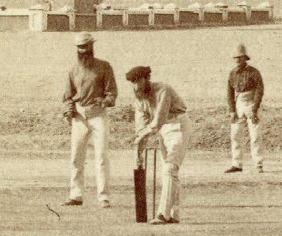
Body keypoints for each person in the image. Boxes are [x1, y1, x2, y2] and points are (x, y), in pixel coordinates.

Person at [60, 35, 116, 207]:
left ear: (92, 46)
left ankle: (103, 197)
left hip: (98, 114)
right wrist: (68, 111)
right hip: (79, 116)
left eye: (85, 46)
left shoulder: (104, 67)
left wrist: (105, 101)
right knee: (76, 157)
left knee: (101, 156)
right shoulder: (73, 71)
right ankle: (76, 195)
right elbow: (67, 97)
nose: (83, 50)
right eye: (79, 47)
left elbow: (112, 93)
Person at [127, 64, 187, 223]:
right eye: (132, 82)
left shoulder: (163, 90)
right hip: (162, 131)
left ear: (147, 79)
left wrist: (145, 134)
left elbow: (158, 119)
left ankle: (163, 214)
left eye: (138, 81)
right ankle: (174, 215)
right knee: (169, 172)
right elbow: (141, 127)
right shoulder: (138, 99)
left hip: (178, 125)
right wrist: (139, 145)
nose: (135, 86)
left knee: (170, 168)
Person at [223, 44, 265, 175]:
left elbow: (259, 90)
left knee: (255, 135)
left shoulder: (254, 72)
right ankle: (237, 164)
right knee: (235, 134)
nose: (237, 60)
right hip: (239, 104)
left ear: (245, 58)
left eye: (240, 57)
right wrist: (232, 110)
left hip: (252, 104)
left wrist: (255, 108)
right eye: (235, 58)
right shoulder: (232, 73)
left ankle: (258, 164)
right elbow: (229, 92)